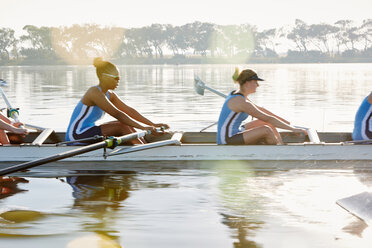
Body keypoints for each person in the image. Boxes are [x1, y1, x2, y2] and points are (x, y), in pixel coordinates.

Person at [66, 57, 169, 145]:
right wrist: (143, 128)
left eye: (119, 77)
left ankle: (143, 146)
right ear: (103, 77)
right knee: (121, 125)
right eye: (115, 78)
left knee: (125, 124)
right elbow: (118, 114)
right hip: (76, 135)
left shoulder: (110, 95)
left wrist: (153, 125)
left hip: (89, 131)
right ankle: (145, 152)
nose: (118, 80)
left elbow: (129, 111)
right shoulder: (94, 92)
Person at [217, 68, 306, 145]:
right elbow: (267, 118)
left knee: (267, 124)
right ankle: (278, 151)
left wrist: (286, 123)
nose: (258, 85)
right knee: (266, 130)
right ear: (247, 83)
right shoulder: (240, 102)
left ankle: (278, 144)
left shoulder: (238, 94)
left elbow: (261, 110)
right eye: (255, 82)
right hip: (227, 139)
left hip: (236, 132)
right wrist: (293, 129)